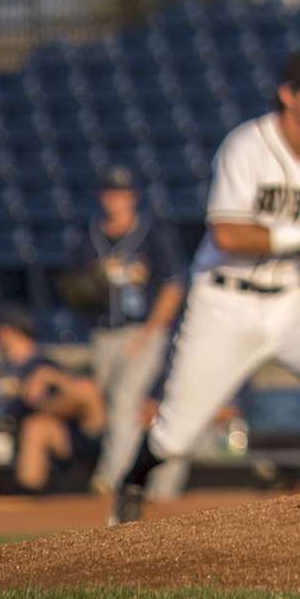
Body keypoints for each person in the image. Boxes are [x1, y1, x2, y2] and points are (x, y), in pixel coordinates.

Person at [108, 49, 300, 523]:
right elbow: (227, 233)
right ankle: (131, 482)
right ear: (287, 94)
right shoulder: (246, 146)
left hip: (291, 297)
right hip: (225, 301)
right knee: (176, 435)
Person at [72, 165, 187, 503]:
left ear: (133, 196)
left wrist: (151, 331)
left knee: (126, 402)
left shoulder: (152, 233)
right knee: (120, 408)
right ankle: (151, 484)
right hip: (104, 333)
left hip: (142, 331)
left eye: (122, 193)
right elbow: (75, 289)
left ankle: (113, 478)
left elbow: (173, 285)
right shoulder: (89, 235)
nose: (116, 199)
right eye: (110, 192)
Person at [0, 306, 106, 494]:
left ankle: (28, 501)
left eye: (2, 330)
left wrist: (41, 388)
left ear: (11, 331)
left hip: (19, 436)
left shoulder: (42, 367)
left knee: (36, 426)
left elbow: (74, 401)